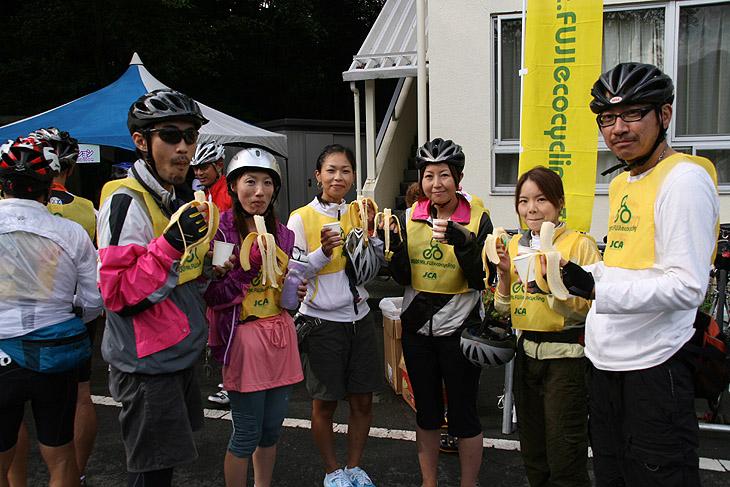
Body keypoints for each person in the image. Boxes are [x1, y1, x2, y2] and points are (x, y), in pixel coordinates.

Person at [551, 63, 719, 486]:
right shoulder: (625, 180)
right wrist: (574, 272)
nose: (617, 128)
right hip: (608, 363)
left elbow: (687, 285)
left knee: (657, 476)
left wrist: (597, 288)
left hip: (655, 364)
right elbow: (628, 263)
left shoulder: (683, 180)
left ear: (664, 116)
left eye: (631, 114)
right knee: (612, 473)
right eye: (607, 118)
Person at [96, 89, 231, 487]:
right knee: (151, 472)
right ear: (141, 141)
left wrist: (206, 268)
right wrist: (172, 245)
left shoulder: (173, 196)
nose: (184, 147)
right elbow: (117, 293)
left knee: (165, 464)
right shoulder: (127, 201)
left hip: (174, 353)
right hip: (146, 364)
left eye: (191, 137)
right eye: (171, 136)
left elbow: (171, 274)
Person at [386, 138, 494, 487]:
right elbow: (401, 277)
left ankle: (468, 483)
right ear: (421, 179)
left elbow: (482, 280)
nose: (437, 184)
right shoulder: (407, 217)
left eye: (444, 175)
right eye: (429, 175)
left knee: (464, 416)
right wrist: (396, 250)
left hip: (460, 332)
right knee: (427, 415)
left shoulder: (478, 219)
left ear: (457, 178)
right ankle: (428, 482)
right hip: (418, 333)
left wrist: (463, 243)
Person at [0, 136, 103, 487]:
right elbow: (93, 302)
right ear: (49, 187)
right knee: (60, 457)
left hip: (1, 352)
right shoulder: (71, 231)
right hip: (55, 353)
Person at [493, 166, 601, 487]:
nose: (532, 209)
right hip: (526, 356)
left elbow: (592, 305)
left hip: (566, 360)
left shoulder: (580, 245)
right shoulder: (514, 246)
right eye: (524, 201)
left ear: (559, 204)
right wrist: (502, 274)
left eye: (541, 199)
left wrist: (554, 286)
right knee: (534, 453)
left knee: (565, 451)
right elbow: (504, 307)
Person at [204, 147, 304, 487]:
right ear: (233, 186)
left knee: (271, 432)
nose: (258, 192)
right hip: (243, 341)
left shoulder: (285, 235)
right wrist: (248, 269)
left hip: (280, 336)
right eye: (249, 182)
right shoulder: (222, 233)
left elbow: (285, 296)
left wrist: (295, 294)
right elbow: (214, 296)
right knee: (246, 433)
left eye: (267, 183)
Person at [287, 144, 384, 487]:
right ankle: (332, 473)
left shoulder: (360, 213)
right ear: (318, 176)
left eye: (345, 170)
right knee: (324, 404)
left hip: (360, 319)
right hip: (322, 323)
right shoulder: (301, 217)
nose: (338, 177)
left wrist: (375, 236)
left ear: (354, 176)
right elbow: (295, 273)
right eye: (331, 170)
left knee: (362, 400)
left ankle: (354, 468)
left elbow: (370, 269)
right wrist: (324, 252)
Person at [29, 127, 98, 484]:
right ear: (70, 167)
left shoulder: (6, 203)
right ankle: (78, 474)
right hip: (71, 316)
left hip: (13, 320)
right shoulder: (87, 209)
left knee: (11, 409)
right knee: (80, 396)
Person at [191, 140, 232, 212]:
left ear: (219, 166)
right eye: (195, 168)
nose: (199, 173)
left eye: (204, 167)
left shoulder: (231, 193)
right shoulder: (201, 195)